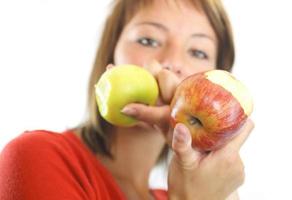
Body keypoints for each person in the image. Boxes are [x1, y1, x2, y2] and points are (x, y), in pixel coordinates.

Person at [0, 0, 254, 199]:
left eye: (198, 51)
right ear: (111, 54)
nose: (171, 63)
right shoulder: (39, 157)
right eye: (148, 40)